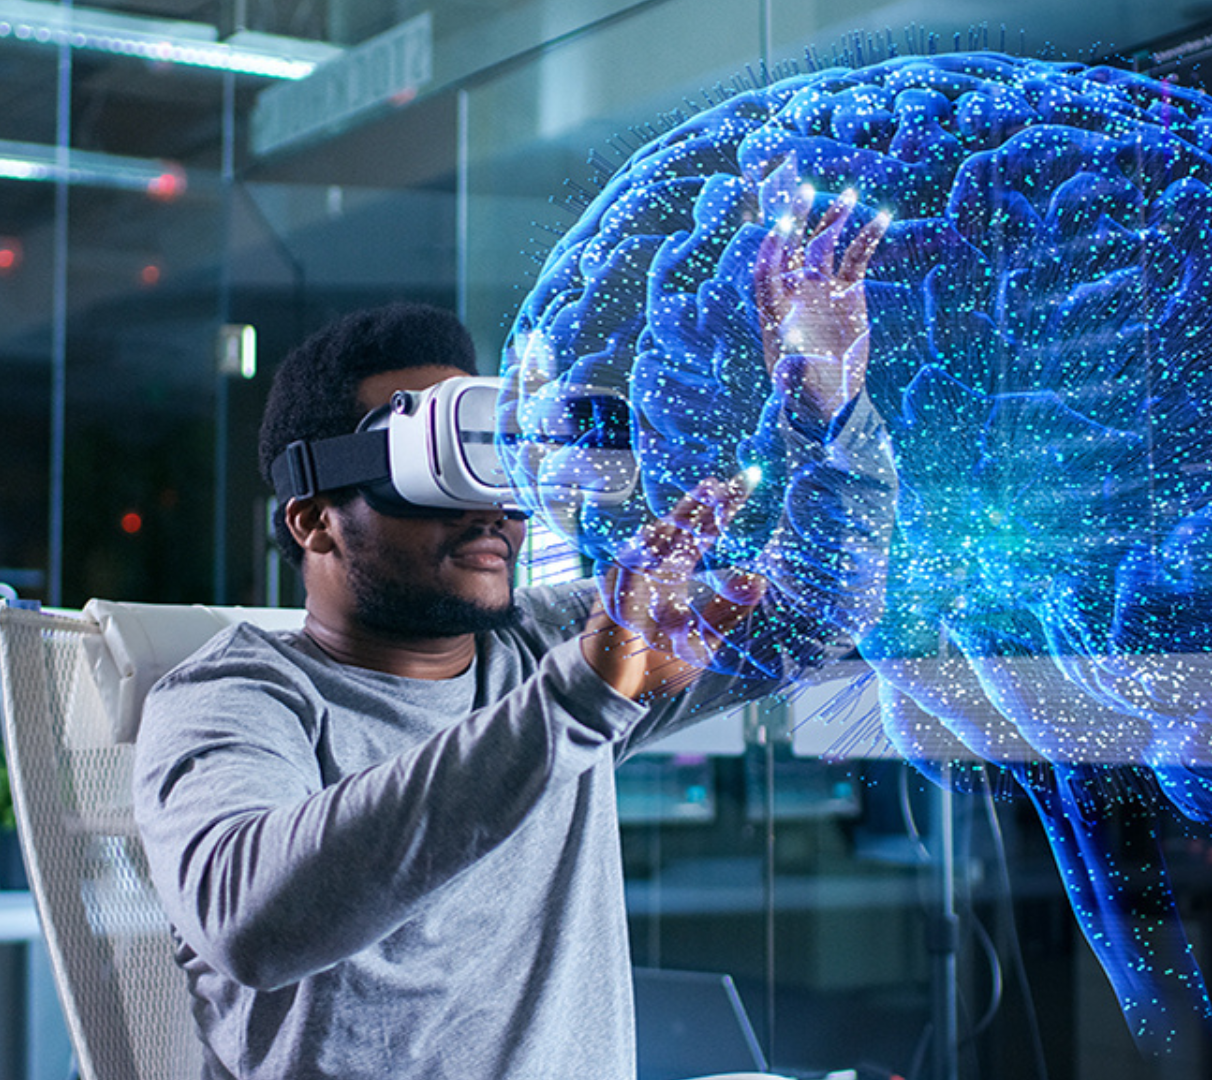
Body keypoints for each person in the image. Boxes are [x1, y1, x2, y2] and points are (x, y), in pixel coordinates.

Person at [132, 185, 894, 1079]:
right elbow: (248, 921)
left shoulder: (549, 647)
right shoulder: (237, 697)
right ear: (314, 521)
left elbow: (816, 609)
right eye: (439, 464)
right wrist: (584, 695)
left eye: (501, 458)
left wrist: (826, 419)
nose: (493, 505)